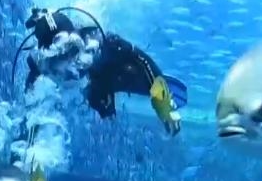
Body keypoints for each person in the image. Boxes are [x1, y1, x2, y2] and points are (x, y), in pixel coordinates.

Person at [17, 7, 188, 120]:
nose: (70, 61)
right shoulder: (42, 63)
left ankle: (157, 92)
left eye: (72, 50)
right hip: (96, 85)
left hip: (115, 71)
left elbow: (141, 58)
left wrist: (161, 101)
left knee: (126, 71)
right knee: (101, 107)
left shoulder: (102, 42)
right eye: (60, 56)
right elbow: (31, 87)